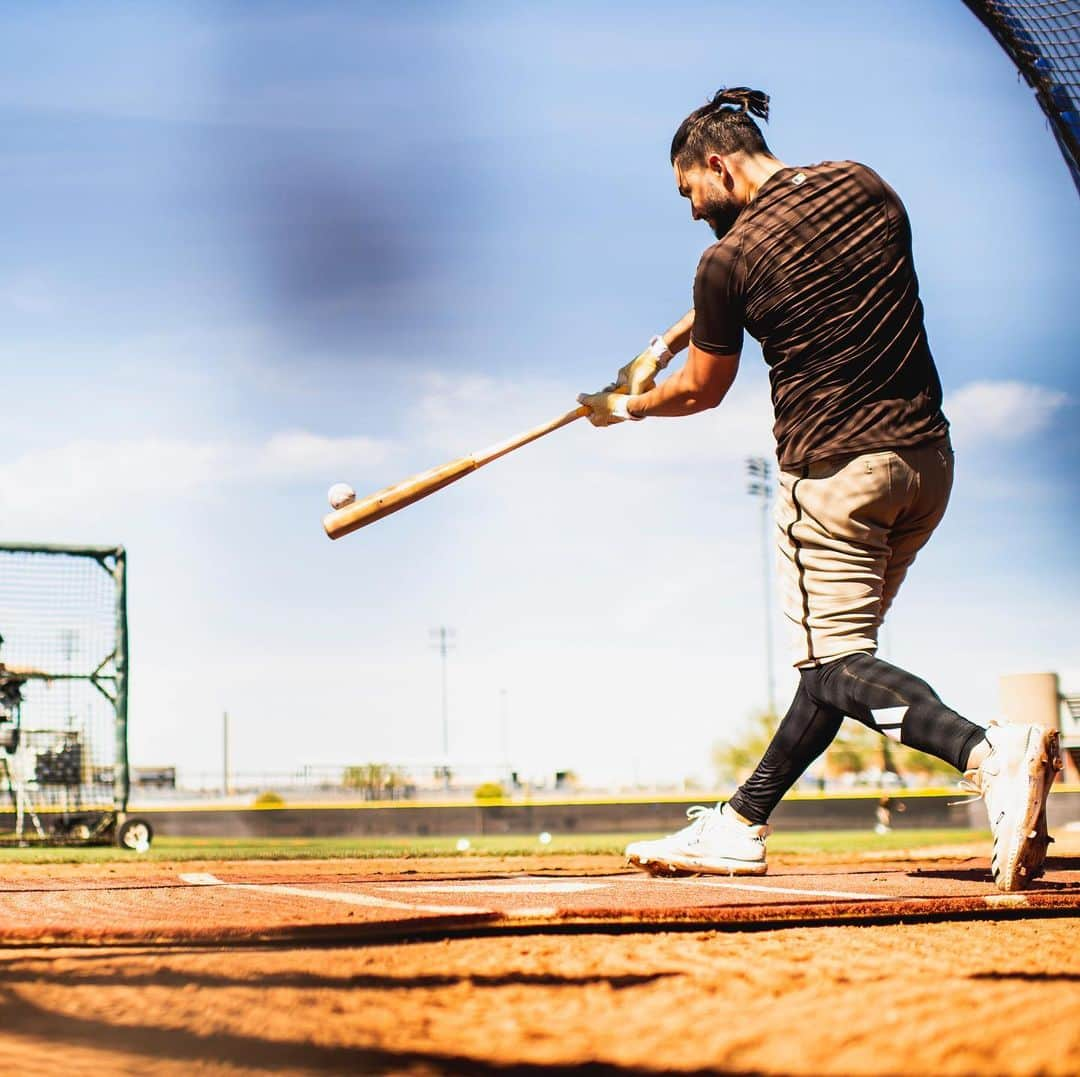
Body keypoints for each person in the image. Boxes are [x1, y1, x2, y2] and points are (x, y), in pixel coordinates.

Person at [577, 87, 1062, 892]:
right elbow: (802, 261)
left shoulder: (725, 264)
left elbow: (701, 388)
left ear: (717, 164)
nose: (692, 212)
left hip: (834, 475)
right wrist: (689, 320)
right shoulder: (865, 185)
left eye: (689, 192)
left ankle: (988, 752)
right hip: (925, 465)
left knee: (836, 660)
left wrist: (626, 405)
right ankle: (739, 822)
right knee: (834, 667)